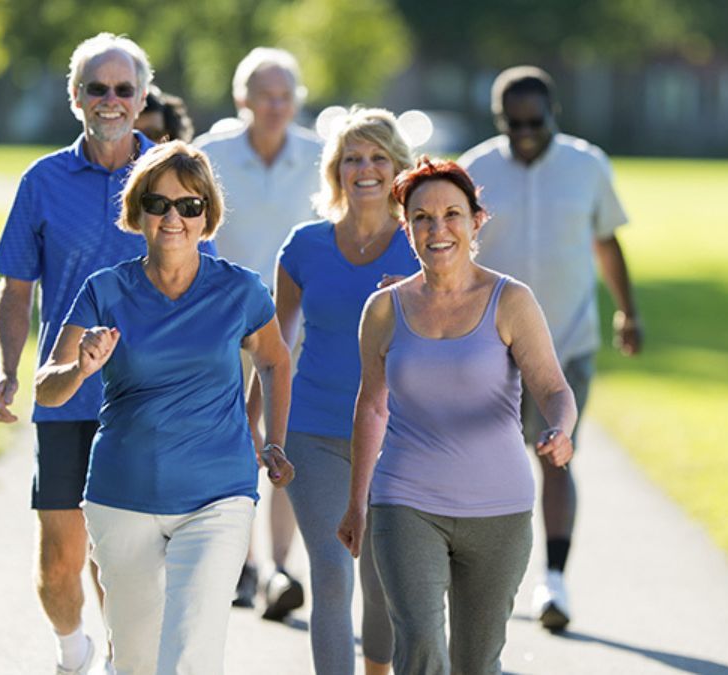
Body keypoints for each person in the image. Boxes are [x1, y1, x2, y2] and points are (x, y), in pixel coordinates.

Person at [0, 32, 214, 674]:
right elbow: (15, 287)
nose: (110, 100)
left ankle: (126, 660)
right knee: (61, 558)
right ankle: (72, 649)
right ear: (75, 97)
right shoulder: (42, 181)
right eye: (96, 88)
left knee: (129, 558)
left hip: (147, 401)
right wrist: (7, 371)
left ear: (142, 97)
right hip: (66, 394)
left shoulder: (175, 174)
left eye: (123, 89)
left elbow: (207, 283)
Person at [34, 140, 295, 674]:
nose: (173, 217)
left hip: (218, 497)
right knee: (135, 658)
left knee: (190, 652)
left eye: (190, 205)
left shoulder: (240, 291)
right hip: (122, 495)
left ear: (207, 216)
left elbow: (274, 362)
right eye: (158, 204)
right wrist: (81, 368)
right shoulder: (103, 290)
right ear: (138, 212)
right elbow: (46, 388)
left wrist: (273, 441)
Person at [337, 156, 577, 674]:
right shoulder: (384, 309)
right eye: (421, 217)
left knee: (476, 661)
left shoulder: (510, 300)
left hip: (499, 510)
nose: (437, 228)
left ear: (476, 221)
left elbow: (553, 387)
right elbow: (371, 406)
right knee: (421, 644)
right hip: (405, 502)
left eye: (451, 214)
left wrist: (561, 429)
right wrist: (357, 503)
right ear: (406, 228)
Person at [458, 65, 644, 633]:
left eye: (534, 121)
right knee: (488, 462)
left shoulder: (587, 165)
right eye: (512, 124)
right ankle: (483, 579)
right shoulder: (476, 169)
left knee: (556, 454)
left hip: (568, 341)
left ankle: (554, 580)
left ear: (553, 114)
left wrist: (628, 312)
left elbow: (606, 241)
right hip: (488, 347)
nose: (524, 133)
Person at [275, 107, 419, 675]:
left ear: (397, 169)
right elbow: (275, 350)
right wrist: (264, 429)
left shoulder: (421, 246)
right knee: (331, 575)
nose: (365, 169)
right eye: (352, 158)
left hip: (397, 437)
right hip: (313, 432)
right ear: (335, 171)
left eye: (378, 157)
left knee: (381, 579)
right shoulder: (304, 246)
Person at [194, 47, 321, 619]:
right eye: (264, 96)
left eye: (284, 96)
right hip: (224, 324)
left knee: (284, 443)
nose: (275, 106)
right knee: (231, 443)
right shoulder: (209, 155)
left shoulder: (322, 156)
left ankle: (278, 568)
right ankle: (240, 566)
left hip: (297, 327)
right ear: (241, 99)